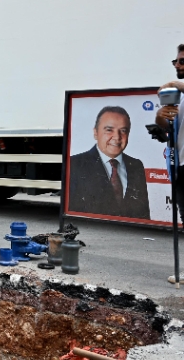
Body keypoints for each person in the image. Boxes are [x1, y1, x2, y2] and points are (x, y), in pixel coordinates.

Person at [69, 106, 150, 219]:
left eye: (123, 131)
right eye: (109, 130)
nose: (117, 137)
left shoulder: (136, 165)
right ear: (95, 133)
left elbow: (143, 213)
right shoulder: (74, 164)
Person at [155, 43, 184, 284]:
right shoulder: (178, 100)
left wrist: (175, 84)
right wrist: (160, 118)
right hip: (180, 165)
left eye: (182, 61)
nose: (176, 65)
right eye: (175, 61)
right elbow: (167, 131)